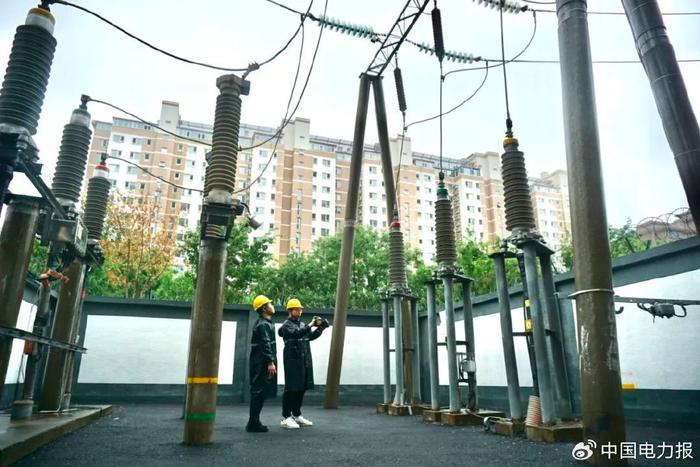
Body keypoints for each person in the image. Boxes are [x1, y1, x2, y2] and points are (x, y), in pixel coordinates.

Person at [278, 298, 329, 429]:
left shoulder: (302, 324)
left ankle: (296, 414)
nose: (300, 311)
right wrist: (311, 324)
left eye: (301, 309)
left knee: (301, 388)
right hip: (292, 360)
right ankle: (285, 417)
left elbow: (309, 337)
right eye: (297, 309)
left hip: (304, 359)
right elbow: (296, 334)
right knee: (291, 389)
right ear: (290, 311)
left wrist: (321, 328)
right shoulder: (287, 325)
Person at [246, 295, 277, 433]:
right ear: (264, 308)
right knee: (258, 391)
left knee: (260, 391)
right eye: (270, 304)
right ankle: (253, 423)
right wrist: (270, 362)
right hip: (261, 362)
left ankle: (254, 421)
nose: (272, 305)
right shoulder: (263, 324)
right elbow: (265, 343)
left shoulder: (266, 323)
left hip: (261, 361)